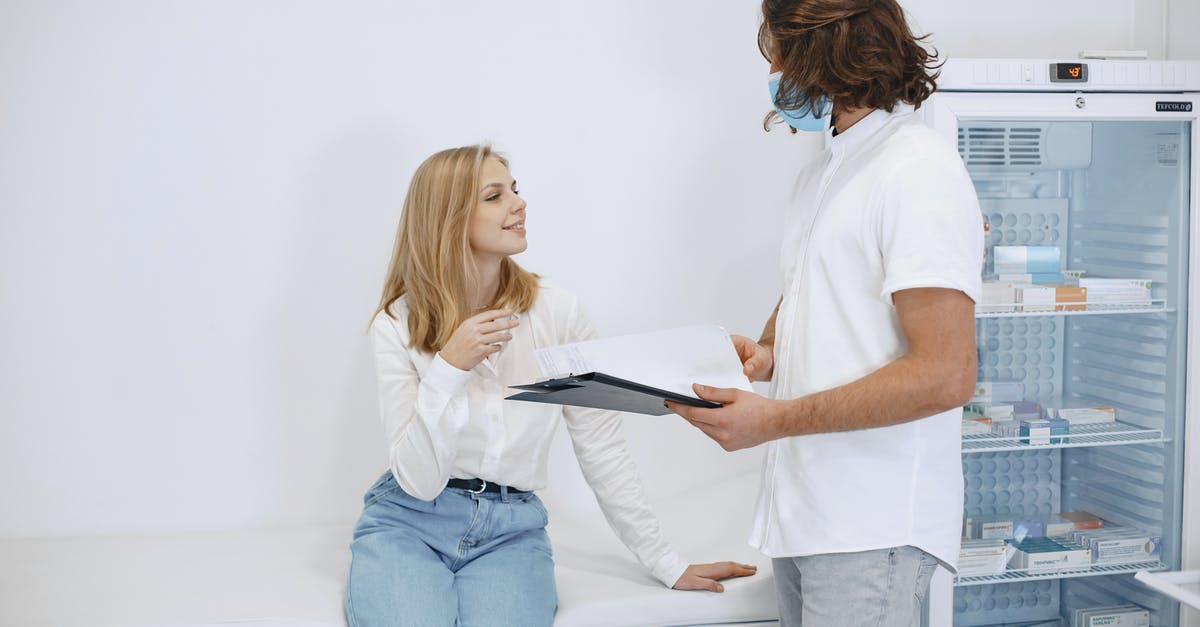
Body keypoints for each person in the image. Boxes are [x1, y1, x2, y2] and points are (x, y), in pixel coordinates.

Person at [346, 144, 756, 626]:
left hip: (510, 532)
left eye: (515, 191)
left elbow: (601, 446)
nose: (519, 204)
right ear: (448, 217)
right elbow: (417, 480)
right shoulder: (397, 322)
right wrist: (449, 368)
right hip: (408, 522)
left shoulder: (557, 311)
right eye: (494, 196)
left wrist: (667, 562)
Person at [668, 1, 983, 625]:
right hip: (808, 514)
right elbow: (818, 294)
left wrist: (774, 419)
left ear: (823, 51)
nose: (774, 68)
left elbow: (946, 374)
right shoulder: (827, 172)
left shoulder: (917, 170)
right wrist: (768, 353)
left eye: (780, 50)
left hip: (873, 520)